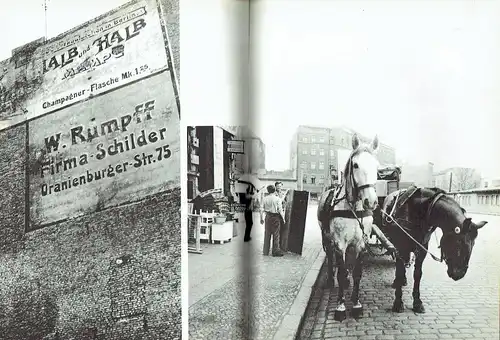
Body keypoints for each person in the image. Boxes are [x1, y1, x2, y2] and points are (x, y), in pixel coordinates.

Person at [260, 185, 285, 257]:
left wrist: (261, 218)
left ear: (268, 191)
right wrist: (283, 218)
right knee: (276, 234)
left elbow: (261, 209)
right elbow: (280, 210)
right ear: (274, 190)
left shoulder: (264, 199)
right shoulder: (277, 199)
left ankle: (265, 251)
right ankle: (275, 251)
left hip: (267, 217)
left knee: (267, 234)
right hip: (275, 217)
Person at [275, 181, 289, 252]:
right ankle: (276, 247)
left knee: (282, 231)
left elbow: (285, 203)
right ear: (275, 187)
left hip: (282, 213)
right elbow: (279, 202)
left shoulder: (282, 193)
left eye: (280, 186)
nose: (279, 188)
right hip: (276, 214)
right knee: (276, 232)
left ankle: (281, 246)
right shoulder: (274, 194)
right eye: (278, 186)